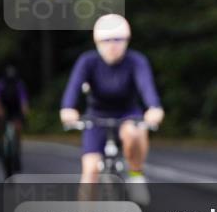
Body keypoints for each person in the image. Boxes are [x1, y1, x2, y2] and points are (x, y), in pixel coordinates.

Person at [59, 14, 164, 194]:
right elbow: (74, 87)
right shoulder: (88, 61)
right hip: (96, 116)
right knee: (90, 170)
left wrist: (154, 108)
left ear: (126, 40)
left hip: (128, 113)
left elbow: (146, 87)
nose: (112, 45)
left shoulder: (136, 61)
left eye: (118, 40)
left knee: (134, 133)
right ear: (98, 42)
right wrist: (68, 108)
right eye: (106, 40)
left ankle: (136, 174)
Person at [0, 65, 29, 172]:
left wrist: (24, 114)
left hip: (15, 110)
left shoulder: (19, 84)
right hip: (5, 110)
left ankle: (16, 152)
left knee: (17, 131)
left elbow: (23, 101)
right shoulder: (0, 84)